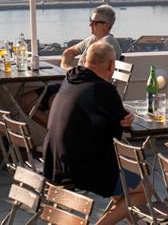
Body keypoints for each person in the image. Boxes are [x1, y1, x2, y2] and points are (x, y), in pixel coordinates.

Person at [43, 41, 146, 225]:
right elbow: (118, 131)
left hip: (54, 161)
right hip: (81, 168)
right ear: (111, 65)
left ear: (85, 60)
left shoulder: (70, 78)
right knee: (144, 190)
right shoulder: (104, 89)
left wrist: (119, 120)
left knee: (122, 188)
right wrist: (124, 121)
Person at [24, 4, 123, 126]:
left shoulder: (106, 45)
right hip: (72, 82)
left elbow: (93, 73)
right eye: (90, 21)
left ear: (107, 25)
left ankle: (56, 134)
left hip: (87, 89)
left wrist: (72, 73)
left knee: (55, 99)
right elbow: (69, 52)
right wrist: (67, 67)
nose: (90, 25)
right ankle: (53, 131)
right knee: (25, 101)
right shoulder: (92, 39)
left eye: (95, 22)